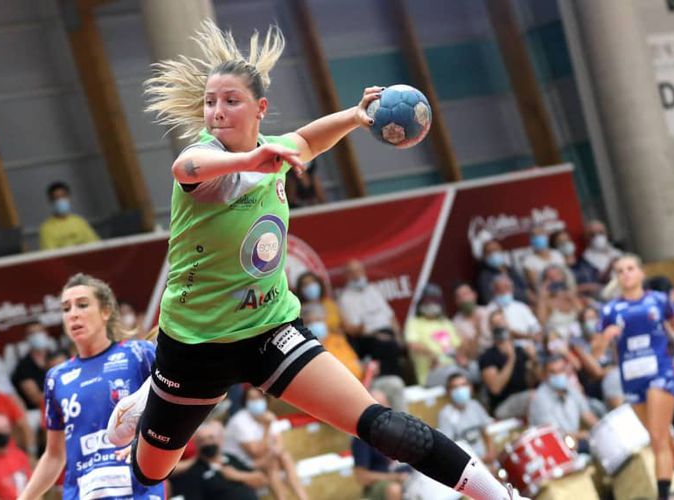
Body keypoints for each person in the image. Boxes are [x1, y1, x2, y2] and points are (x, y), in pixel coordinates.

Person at [105, 20, 528, 500]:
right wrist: (251, 161)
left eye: (230, 101)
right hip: (196, 345)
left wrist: (356, 115)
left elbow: (307, 141)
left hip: (269, 329)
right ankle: (149, 398)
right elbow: (186, 167)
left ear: (259, 108)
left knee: (383, 426)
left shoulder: (277, 153)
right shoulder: (208, 159)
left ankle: (505, 497)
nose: (217, 112)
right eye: (210, 102)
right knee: (151, 468)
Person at [17, 273, 163, 500]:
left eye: (82, 305)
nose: (73, 314)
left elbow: (173, 411)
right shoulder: (56, 378)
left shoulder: (139, 354)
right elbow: (54, 456)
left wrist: (146, 444)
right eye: (66, 309)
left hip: (138, 490)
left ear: (105, 311)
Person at [599, 254, 674, 499]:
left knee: (657, 439)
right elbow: (596, 349)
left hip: (659, 373)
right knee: (663, 437)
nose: (626, 274)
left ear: (641, 273)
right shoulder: (610, 309)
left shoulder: (658, 300)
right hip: (631, 378)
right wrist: (604, 337)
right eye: (620, 271)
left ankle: (663, 494)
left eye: (630, 268)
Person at [223, 387, 307, 500]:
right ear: (245, 402)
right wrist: (266, 428)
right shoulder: (239, 421)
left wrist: (275, 451)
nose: (256, 401)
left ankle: (303, 497)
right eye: (251, 399)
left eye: (258, 398)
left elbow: (279, 444)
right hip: (238, 462)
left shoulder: (268, 415)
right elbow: (255, 453)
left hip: (261, 458)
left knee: (284, 456)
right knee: (271, 462)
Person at [338, 259, 404, 377]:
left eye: (358, 270)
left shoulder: (373, 290)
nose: (356, 275)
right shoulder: (346, 298)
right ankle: (390, 382)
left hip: (387, 332)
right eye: (352, 272)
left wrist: (398, 334)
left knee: (395, 343)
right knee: (387, 346)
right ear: (346, 276)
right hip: (368, 337)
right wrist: (378, 336)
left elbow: (390, 315)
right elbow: (354, 330)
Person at [169, 420, 266, 500]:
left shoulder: (230, 458)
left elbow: (262, 480)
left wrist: (237, 476)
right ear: (196, 445)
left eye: (211, 438)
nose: (207, 443)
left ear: (220, 439)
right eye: (202, 440)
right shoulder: (195, 471)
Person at [528, 355, 598, 453]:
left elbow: (587, 415)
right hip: (554, 448)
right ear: (545, 375)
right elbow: (554, 435)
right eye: (553, 372)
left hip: (573, 440)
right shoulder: (540, 399)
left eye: (561, 370)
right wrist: (582, 435)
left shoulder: (570, 387)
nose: (558, 375)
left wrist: (601, 428)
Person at [479, 311, 537, 419]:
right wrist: (511, 359)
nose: (499, 325)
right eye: (495, 323)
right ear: (490, 328)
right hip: (502, 405)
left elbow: (532, 381)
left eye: (501, 320)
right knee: (534, 396)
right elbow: (496, 388)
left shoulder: (520, 350)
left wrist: (533, 360)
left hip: (524, 397)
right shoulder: (487, 357)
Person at [404, 283, 461, 385]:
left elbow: (458, 346)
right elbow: (413, 345)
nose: (431, 304)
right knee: (454, 374)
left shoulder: (446, 322)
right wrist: (433, 355)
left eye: (435, 301)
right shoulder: (414, 323)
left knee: (472, 369)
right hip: (430, 373)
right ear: (421, 302)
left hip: (453, 366)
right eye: (428, 300)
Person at [437, 373, 496, 465]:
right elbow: (449, 449)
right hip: (466, 465)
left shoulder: (475, 405)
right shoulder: (445, 415)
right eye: (455, 387)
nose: (460, 390)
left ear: (470, 387)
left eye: (463, 385)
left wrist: (491, 454)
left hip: (485, 460)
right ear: (448, 392)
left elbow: (486, 433)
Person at [10, 322, 50, 442]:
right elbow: (36, 398)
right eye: (32, 333)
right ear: (26, 338)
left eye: (39, 332)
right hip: (35, 411)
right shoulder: (24, 366)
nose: (37, 336)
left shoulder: (55, 355)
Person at [484, 275, 542, 349]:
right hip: (506, 348)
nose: (505, 291)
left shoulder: (521, 307)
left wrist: (537, 335)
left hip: (530, 345)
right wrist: (529, 337)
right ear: (494, 291)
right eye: (501, 289)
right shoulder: (489, 310)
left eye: (507, 288)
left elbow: (536, 328)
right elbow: (506, 334)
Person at [38, 181, 100, 250]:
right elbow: (49, 255)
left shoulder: (79, 222)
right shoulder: (46, 228)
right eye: (56, 198)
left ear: (69, 198)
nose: (61, 200)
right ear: (51, 201)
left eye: (63, 196)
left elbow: (95, 244)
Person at [475, 239, 532, 305]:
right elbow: (488, 299)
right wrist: (523, 295)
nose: (494, 254)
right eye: (489, 252)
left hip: (525, 304)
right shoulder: (484, 277)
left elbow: (524, 286)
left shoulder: (510, 269)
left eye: (496, 250)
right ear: (484, 257)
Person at [549, 229, 601, 297]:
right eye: (560, 242)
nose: (565, 244)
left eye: (567, 240)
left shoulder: (582, 260)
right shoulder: (557, 268)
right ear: (554, 247)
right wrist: (585, 287)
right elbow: (560, 290)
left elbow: (597, 275)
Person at [520, 225, 566, 290]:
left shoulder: (557, 254)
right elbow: (536, 286)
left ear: (546, 236)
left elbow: (566, 276)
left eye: (540, 233)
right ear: (530, 240)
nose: (538, 237)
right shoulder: (528, 262)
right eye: (534, 235)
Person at [451, 282, 491, 354]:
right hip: (476, 356)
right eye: (459, 297)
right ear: (456, 301)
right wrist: (477, 331)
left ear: (475, 295)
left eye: (466, 294)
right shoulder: (455, 323)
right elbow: (467, 350)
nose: (464, 299)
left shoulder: (488, 312)